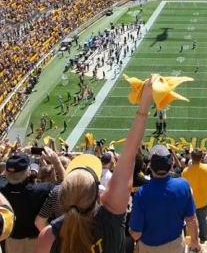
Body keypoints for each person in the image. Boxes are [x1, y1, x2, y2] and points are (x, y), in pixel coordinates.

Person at [35, 76, 155, 253]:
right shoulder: (110, 217)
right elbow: (129, 156)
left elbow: (128, 157)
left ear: (62, 198)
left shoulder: (48, 236)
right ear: (99, 196)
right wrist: (145, 103)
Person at [129, 145, 201, 253]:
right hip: (175, 245)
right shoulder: (183, 185)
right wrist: (195, 242)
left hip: (149, 247)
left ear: (150, 166)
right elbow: (191, 219)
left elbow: (135, 234)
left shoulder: (141, 193)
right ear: (171, 165)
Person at [0, 149, 62, 253]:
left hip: (12, 240)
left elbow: (4, 174)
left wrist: (15, 158)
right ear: (28, 172)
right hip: (35, 240)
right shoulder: (40, 190)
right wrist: (57, 162)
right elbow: (65, 183)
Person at [181, 148, 207, 243]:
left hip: (190, 201)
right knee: (203, 219)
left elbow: (183, 187)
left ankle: (193, 237)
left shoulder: (185, 171)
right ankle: (204, 237)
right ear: (202, 157)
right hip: (204, 199)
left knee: (191, 220)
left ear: (191, 157)